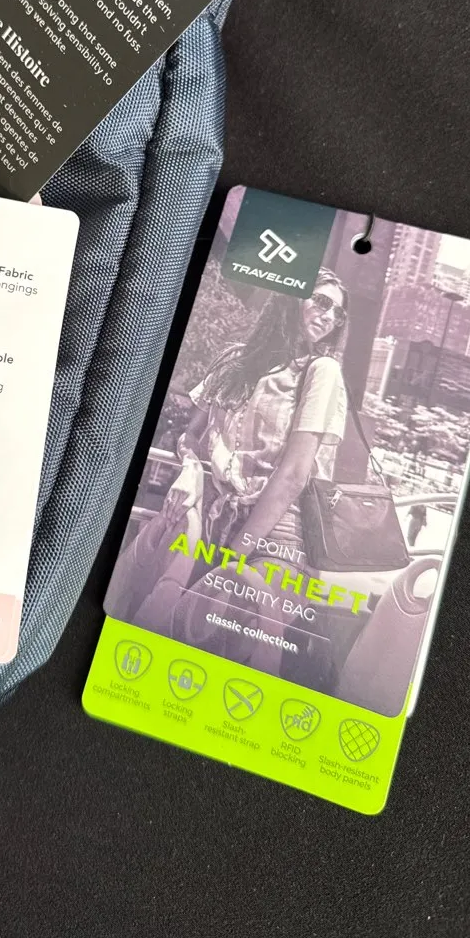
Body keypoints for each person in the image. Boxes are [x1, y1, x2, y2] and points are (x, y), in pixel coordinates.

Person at [126, 269, 351, 677]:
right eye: (321, 301)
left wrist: (234, 554)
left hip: (276, 536)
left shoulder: (322, 372)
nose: (329, 316)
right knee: (149, 615)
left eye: (338, 312)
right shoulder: (235, 360)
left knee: (215, 646)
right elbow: (191, 436)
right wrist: (189, 470)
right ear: (292, 297)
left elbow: (294, 474)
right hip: (211, 517)